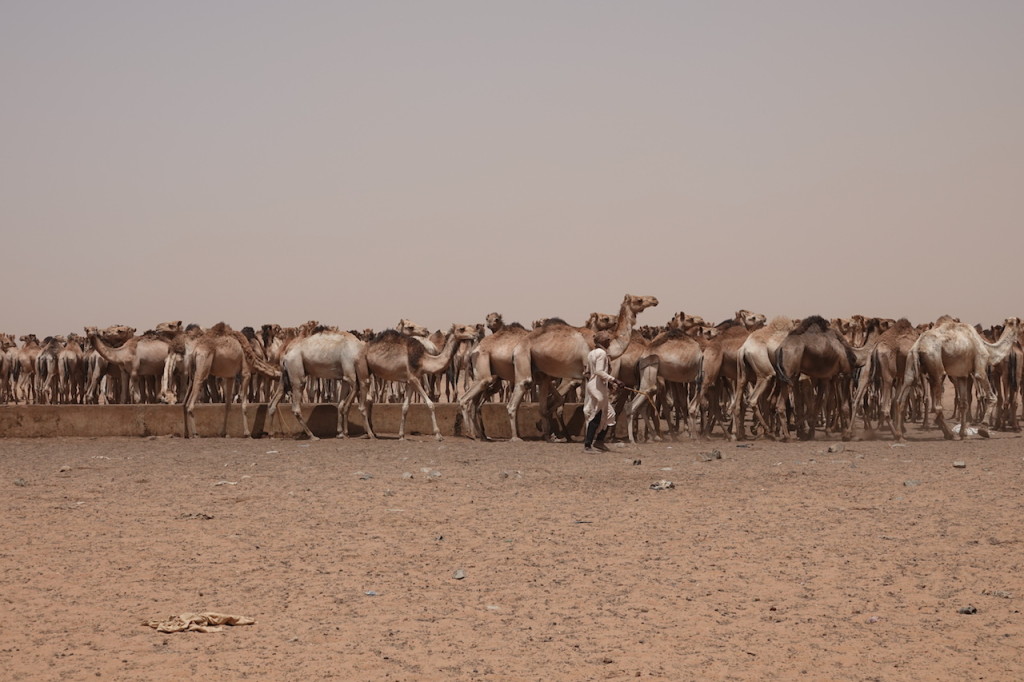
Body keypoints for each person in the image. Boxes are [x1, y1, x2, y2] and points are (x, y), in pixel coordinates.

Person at [583, 331, 621, 452]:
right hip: (597, 386)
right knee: (597, 414)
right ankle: (588, 445)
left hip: (595, 385)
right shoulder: (602, 353)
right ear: (603, 341)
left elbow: (588, 372)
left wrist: (608, 383)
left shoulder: (592, 353)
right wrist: (614, 380)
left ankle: (599, 441)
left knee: (610, 414)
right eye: (608, 340)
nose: (609, 342)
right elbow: (599, 371)